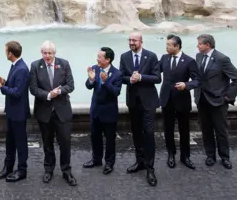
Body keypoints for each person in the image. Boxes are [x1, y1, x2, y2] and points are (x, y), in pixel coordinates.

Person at [29, 41, 77, 187]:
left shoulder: (64, 64)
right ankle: (48, 169)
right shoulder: (35, 66)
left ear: (54, 53)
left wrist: (60, 91)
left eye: (50, 53)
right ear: (41, 53)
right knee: (47, 143)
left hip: (62, 111)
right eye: (45, 53)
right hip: (44, 112)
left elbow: (71, 85)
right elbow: (33, 89)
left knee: (65, 143)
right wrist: (49, 95)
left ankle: (66, 171)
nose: (47, 56)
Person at [194, 34, 237, 169]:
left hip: (218, 102)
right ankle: (210, 155)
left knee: (221, 131)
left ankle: (225, 157)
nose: (197, 46)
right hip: (202, 100)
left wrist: (228, 97)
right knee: (206, 129)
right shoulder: (198, 57)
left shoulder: (222, 59)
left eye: (199, 44)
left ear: (207, 45)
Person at [119, 32, 160, 187]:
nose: (131, 42)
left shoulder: (151, 56)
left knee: (148, 133)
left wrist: (141, 77)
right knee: (136, 132)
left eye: (134, 40)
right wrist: (129, 79)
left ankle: (150, 168)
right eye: (129, 40)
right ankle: (140, 161)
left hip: (148, 101)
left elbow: (157, 78)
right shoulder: (124, 57)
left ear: (141, 41)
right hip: (133, 101)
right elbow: (120, 76)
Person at [0, 40, 30, 183]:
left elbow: (18, 92)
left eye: (6, 51)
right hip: (12, 112)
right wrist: (5, 82)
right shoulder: (16, 66)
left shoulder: (22, 69)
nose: (5, 53)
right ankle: (9, 166)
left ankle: (22, 170)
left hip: (19, 114)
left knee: (20, 143)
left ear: (10, 53)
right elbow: (14, 86)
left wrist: (1, 87)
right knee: (10, 142)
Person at [159, 34, 201, 170]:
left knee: (184, 130)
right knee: (168, 129)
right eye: (166, 45)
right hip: (166, 100)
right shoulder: (164, 58)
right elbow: (154, 72)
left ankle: (185, 156)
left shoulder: (189, 61)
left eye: (168, 45)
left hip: (182, 100)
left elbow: (197, 80)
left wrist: (186, 85)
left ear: (177, 46)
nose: (166, 47)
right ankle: (171, 154)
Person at [84, 47, 122, 175]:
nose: (97, 59)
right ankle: (96, 159)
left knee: (110, 139)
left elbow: (116, 92)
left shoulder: (117, 73)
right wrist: (91, 79)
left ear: (108, 59)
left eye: (100, 57)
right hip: (95, 110)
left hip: (109, 112)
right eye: (97, 56)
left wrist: (106, 82)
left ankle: (109, 163)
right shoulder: (95, 68)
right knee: (95, 137)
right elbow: (89, 86)